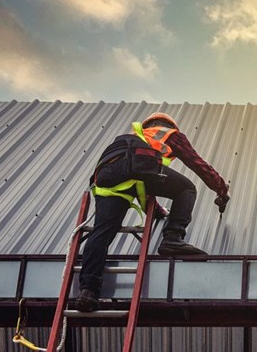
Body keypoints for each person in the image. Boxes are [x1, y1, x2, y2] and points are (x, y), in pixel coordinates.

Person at [75, 112, 231, 312]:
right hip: (135, 170)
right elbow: (197, 163)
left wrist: (157, 211)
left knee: (101, 233)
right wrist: (221, 189)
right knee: (187, 188)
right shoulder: (168, 133)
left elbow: (141, 185)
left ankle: (87, 291)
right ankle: (173, 238)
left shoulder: (133, 138)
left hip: (108, 179)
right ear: (169, 124)